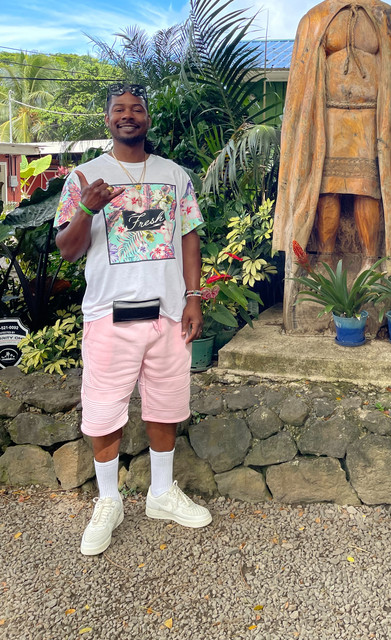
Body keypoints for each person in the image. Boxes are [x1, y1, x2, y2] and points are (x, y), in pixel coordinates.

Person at [55, 82, 211, 556]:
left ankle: (161, 493)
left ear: (147, 118)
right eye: (119, 109)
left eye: (137, 108)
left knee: (167, 404)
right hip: (110, 314)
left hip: (168, 313)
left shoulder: (174, 175)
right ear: (107, 119)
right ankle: (108, 500)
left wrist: (193, 296)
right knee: (104, 409)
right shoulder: (84, 176)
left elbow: (188, 236)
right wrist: (87, 208)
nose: (128, 115)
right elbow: (67, 250)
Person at [273, 0, 391, 331]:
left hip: (370, 121)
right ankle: (323, 258)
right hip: (327, 120)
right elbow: (301, 83)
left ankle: (370, 260)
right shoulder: (315, 18)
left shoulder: (389, 17)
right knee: (326, 191)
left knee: (367, 189)